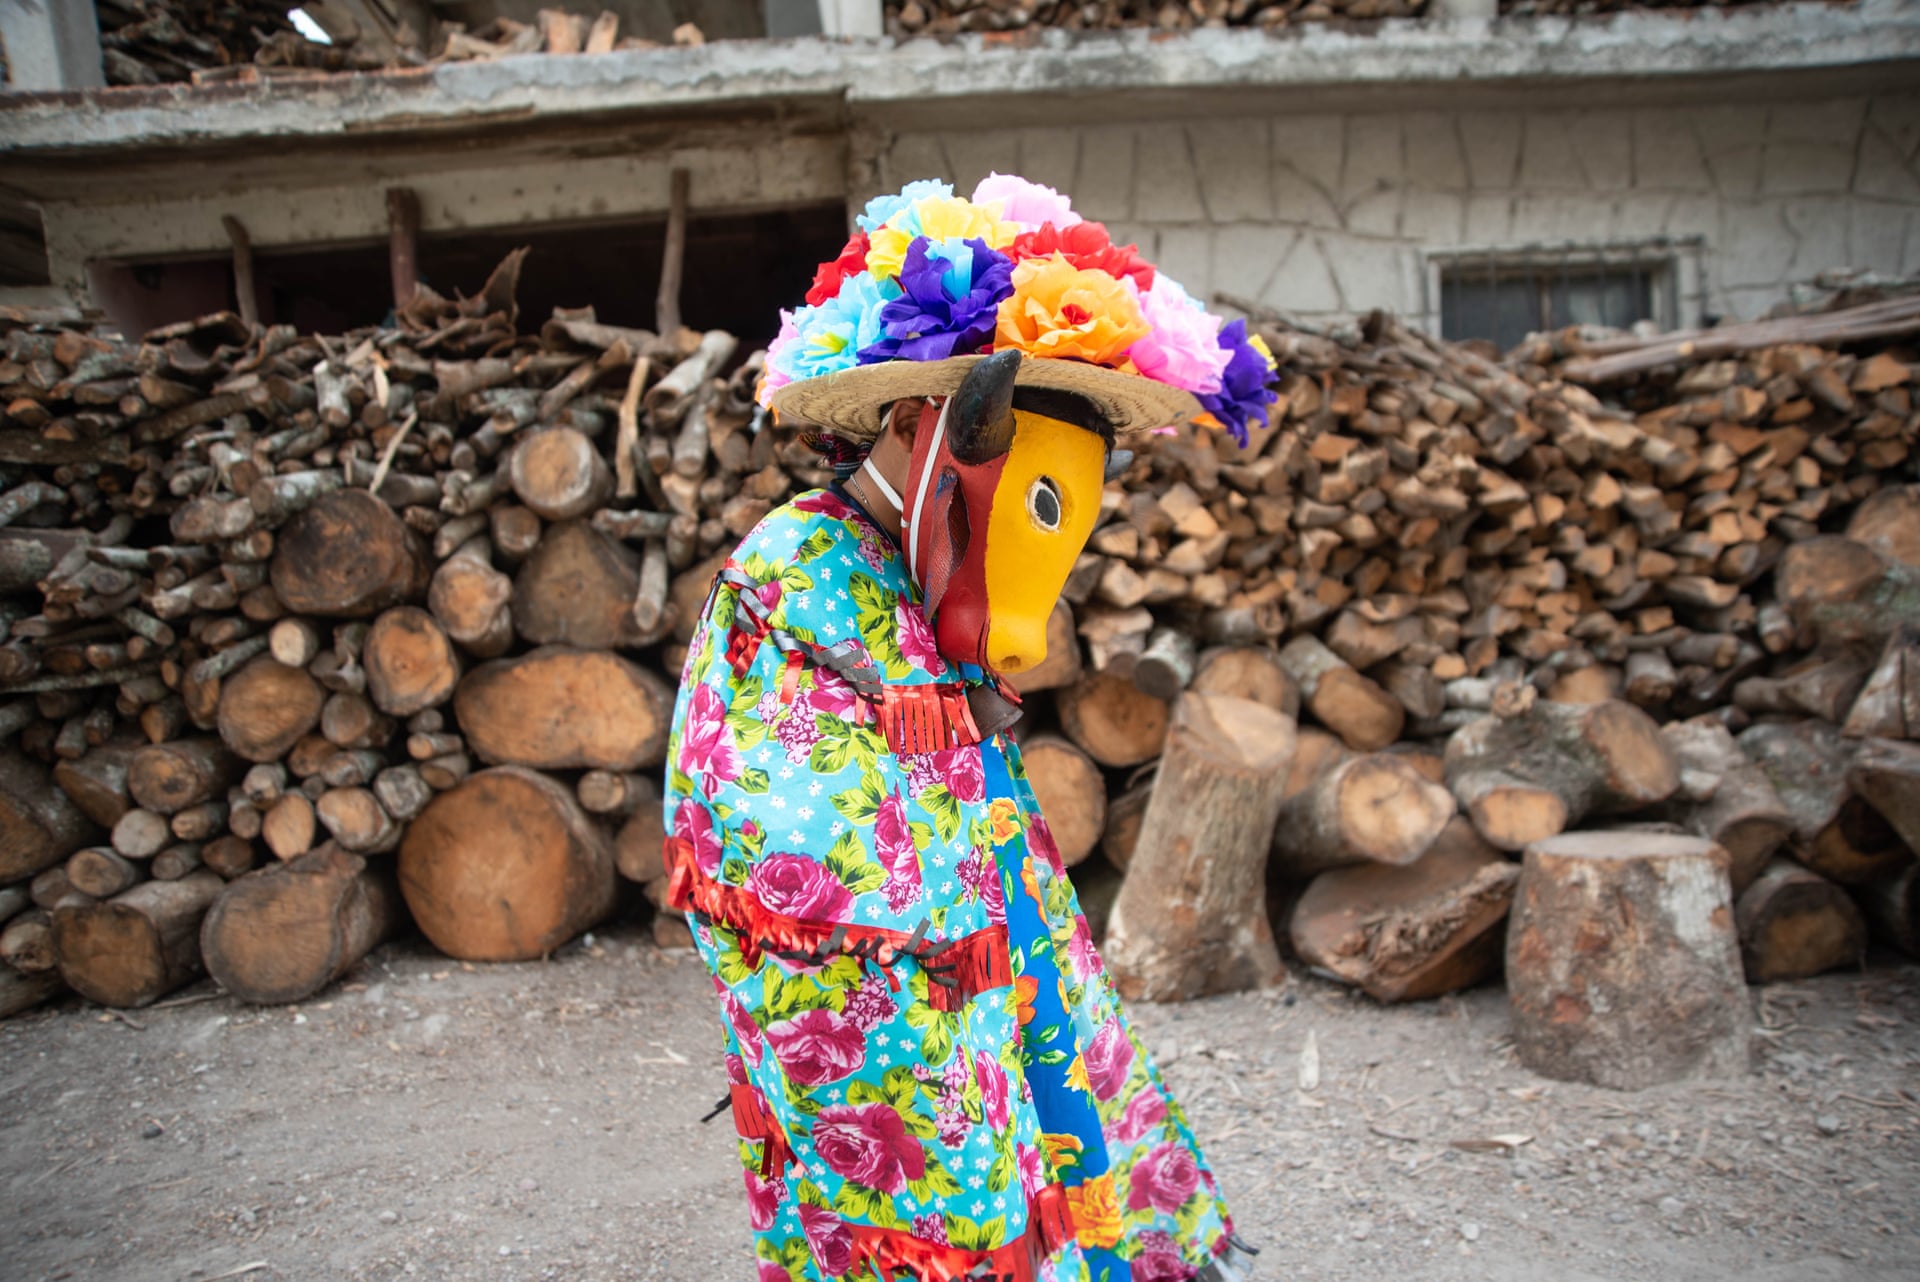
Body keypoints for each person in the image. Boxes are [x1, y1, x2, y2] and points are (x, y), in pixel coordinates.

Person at [660, 174, 1280, 1282]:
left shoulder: (909, 567)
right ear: (917, 429)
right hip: (890, 978)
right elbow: (765, 823)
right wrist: (950, 921)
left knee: (1057, 1119)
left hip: (993, 936)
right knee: (938, 1193)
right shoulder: (790, 573)